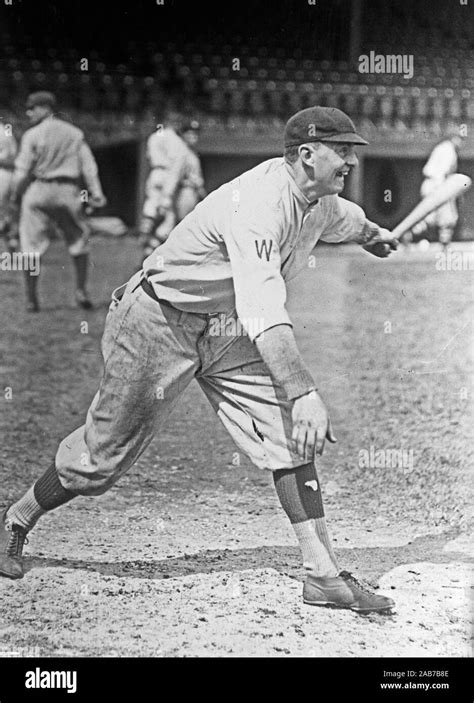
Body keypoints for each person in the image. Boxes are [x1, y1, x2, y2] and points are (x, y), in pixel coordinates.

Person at [0, 107, 398, 614]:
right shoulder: (258, 203)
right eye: (341, 152)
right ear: (305, 154)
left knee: (287, 433)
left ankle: (322, 575)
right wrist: (303, 391)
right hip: (159, 320)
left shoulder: (317, 199)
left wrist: (374, 236)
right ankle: (17, 517)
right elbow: (263, 311)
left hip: (224, 328)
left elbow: (346, 219)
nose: (350, 162)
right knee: (99, 462)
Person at [10, 91, 107, 312]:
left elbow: (21, 171)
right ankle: (81, 291)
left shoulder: (32, 134)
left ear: (45, 108)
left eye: (32, 108)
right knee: (79, 242)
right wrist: (96, 193)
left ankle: (31, 299)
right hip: (68, 190)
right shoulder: (74, 133)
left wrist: (15, 196)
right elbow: (89, 166)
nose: (28, 112)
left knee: (30, 248)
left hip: (39, 188)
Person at [139, 110, 189, 258]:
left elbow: (149, 156)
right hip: (167, 175)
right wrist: (168, 194)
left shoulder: (154, 137)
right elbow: (176, 169)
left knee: (151, 207)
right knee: (168, 219)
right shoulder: (178, 142)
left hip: (155, 173)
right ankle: (148, 251)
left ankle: (144, 234)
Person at [410, 134, 464, 249]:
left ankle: (409, 234)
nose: (461, 143)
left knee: (429, 217)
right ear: (454, 138)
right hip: (437, 184)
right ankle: (445, 246)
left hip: (429, 184)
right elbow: (443, 172)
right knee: (447, 217)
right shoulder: (449, 150)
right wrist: (445, 190)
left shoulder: (440, 147)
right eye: (460, 139)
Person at [175, 118, 206, 223]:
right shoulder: (181, 151)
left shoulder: (191, 152)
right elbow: (176, 175)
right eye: (190, 133)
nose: (193, 136)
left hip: (192, 191)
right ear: (183, 134)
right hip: (184, 191)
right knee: (183, 224)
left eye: (196, 134)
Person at [0, 117, 19, 254]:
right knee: (5, 212)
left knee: (4, 213)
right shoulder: (6, 129)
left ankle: (11, 239)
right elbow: (14, 155)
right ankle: (12, 240)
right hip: (8, 175)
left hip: (3, 172)